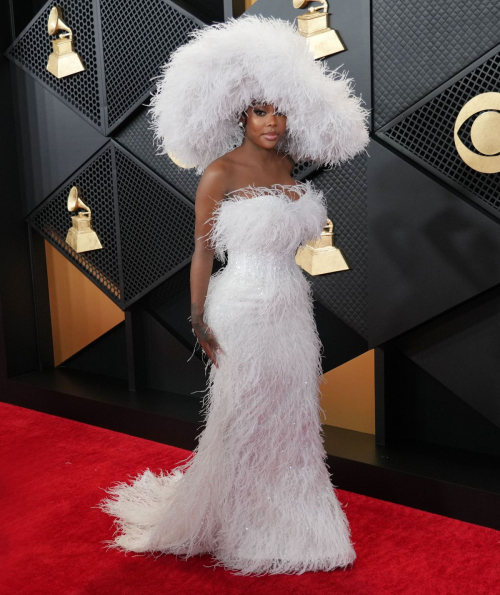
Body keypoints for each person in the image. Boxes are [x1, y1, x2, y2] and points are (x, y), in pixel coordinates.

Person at [97, 14, 370, 576]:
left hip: (291, 305)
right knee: (244, 414)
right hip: (241, 304)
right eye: (260, 110)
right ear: (241, 113)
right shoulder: (219, 173)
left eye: (280, 109)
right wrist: (197, 317)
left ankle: (294, 515)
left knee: (291, 417)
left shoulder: (289, 163)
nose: (273, 122)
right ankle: (243, 518)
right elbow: (202, 252)